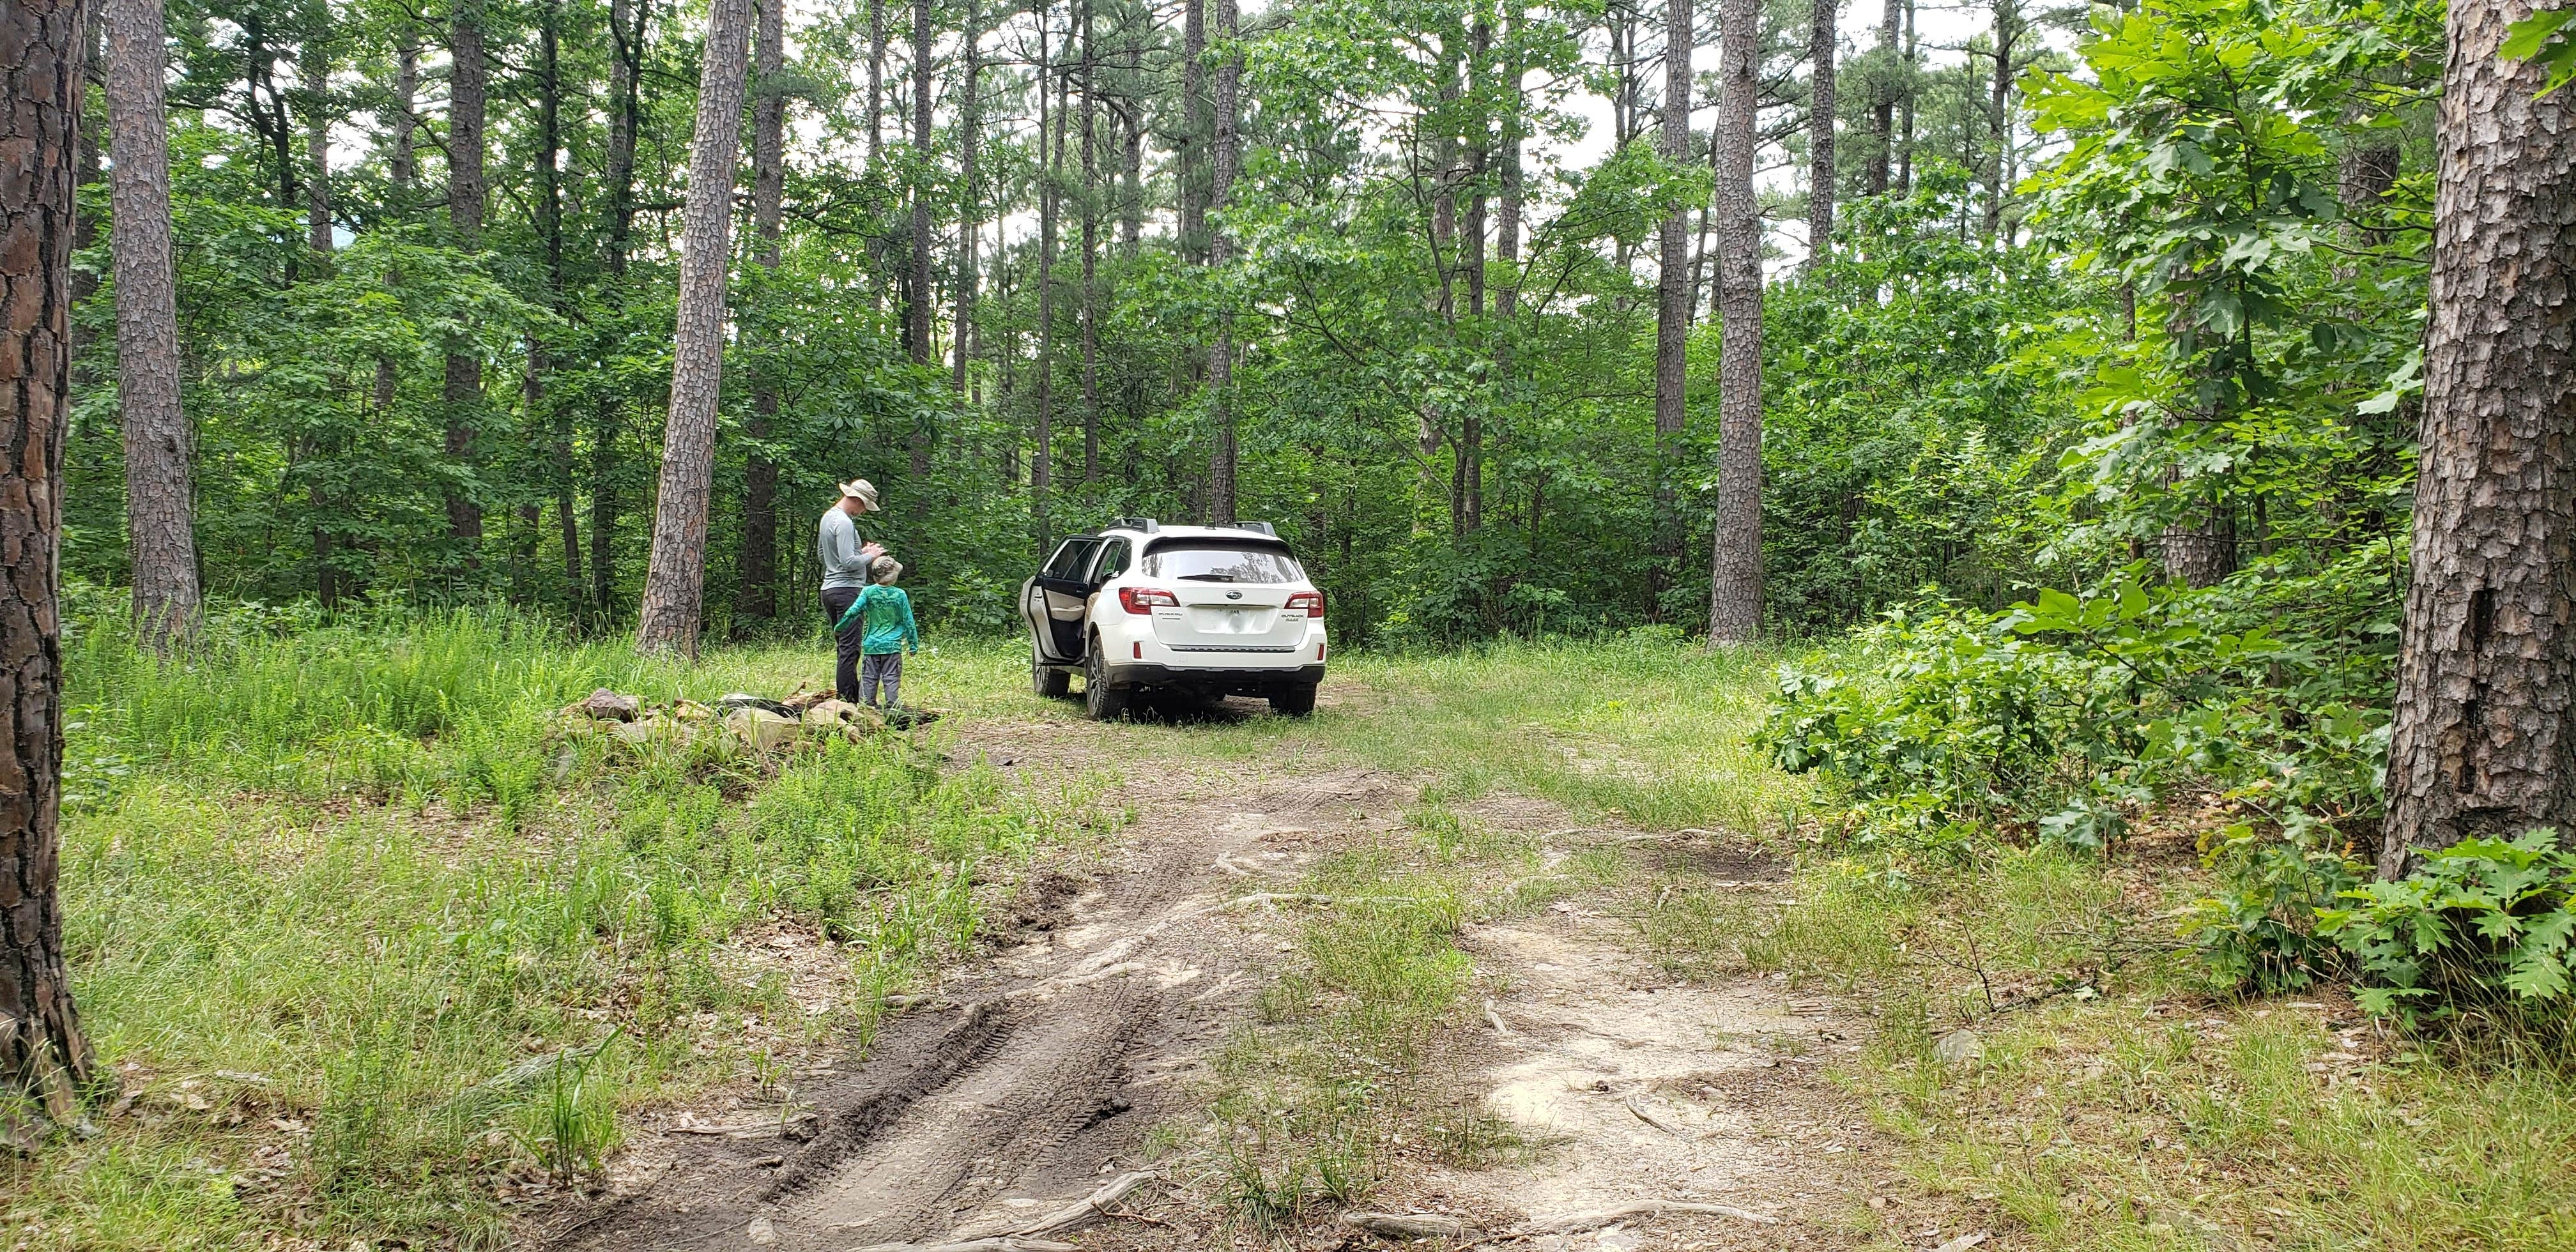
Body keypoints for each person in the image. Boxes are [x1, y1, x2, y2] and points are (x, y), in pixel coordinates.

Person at [818, 478, 889, 703]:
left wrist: (860, 552)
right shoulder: (846, 523)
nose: (863, 512)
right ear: (857, 500)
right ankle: (848, 703)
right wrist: (871, 555)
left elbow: (824, 556)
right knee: (850, 650)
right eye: (864, 507)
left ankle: (850, 696)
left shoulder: (828, 518)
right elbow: (849, 563)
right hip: (848, 592)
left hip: (829, 590)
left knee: (844, 648)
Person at [834, 556, 920, 709]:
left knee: (868, 677)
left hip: (872, 645)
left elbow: (854, 611)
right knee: (892, 677)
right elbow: (908, 620)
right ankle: (892, 706)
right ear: (893, 576)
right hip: (892, 646)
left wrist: (840, 627)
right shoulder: (899, 594)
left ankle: (867, 707)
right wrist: (913, 644)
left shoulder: (868, 592)